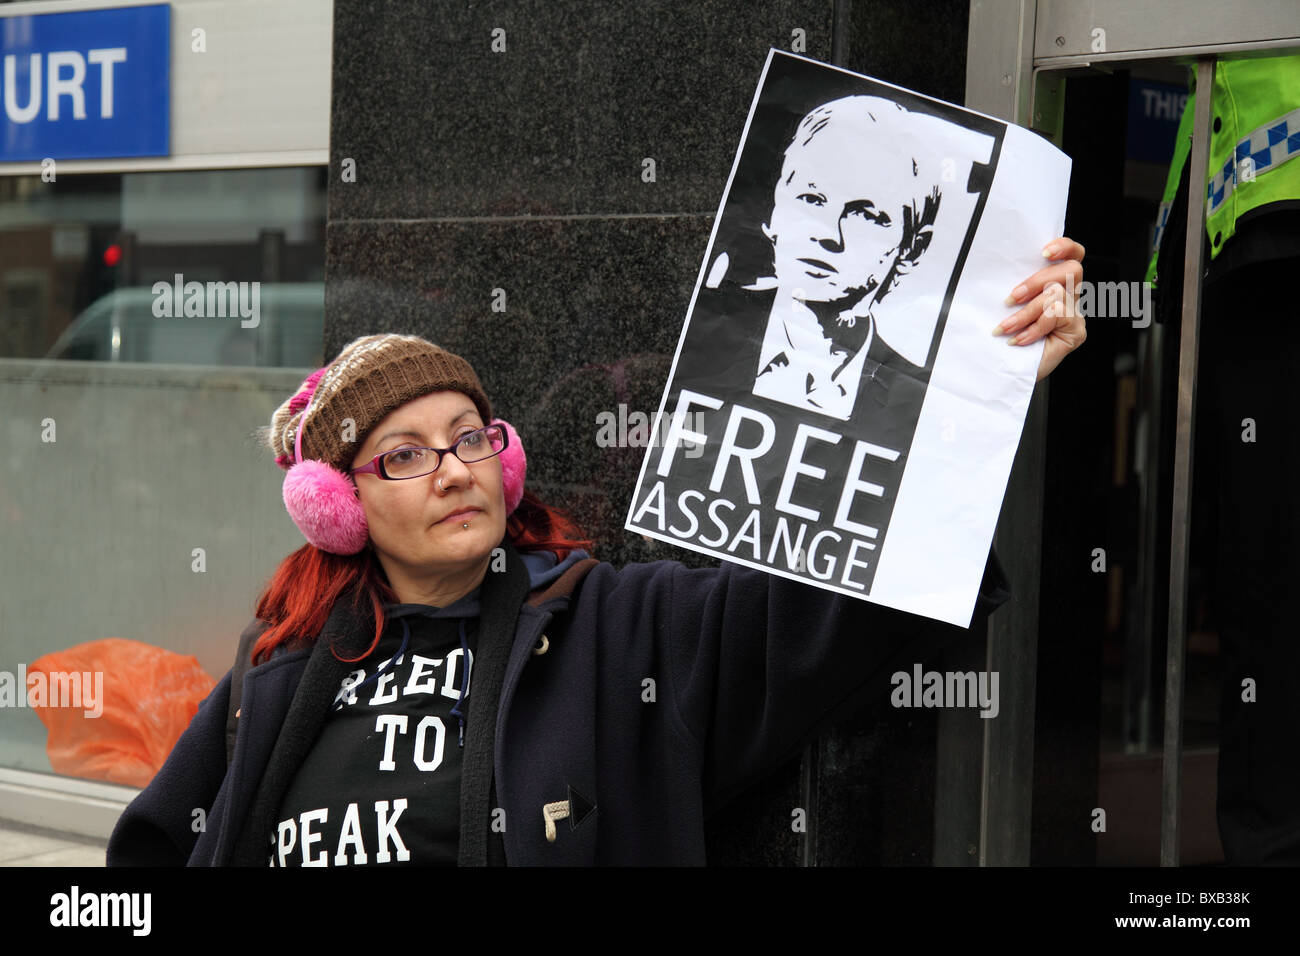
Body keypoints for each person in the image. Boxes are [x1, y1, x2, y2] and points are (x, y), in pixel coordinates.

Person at [107, 266, 1084, 865]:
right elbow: (149, 851)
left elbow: (836, 593)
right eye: (404, 454)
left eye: (468, 436)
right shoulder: (276, 672)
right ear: (340, 504)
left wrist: (977, 390)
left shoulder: (619, 628)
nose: (452, 469)